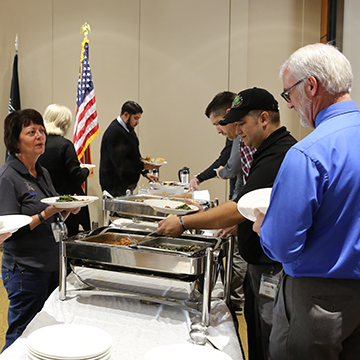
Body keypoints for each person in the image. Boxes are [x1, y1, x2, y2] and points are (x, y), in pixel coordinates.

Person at [157, 87, 297, 360]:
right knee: (257, 335)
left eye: (242, 123)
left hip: (271, 267)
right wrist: (240, 224)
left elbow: (237, 207)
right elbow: (257, 206)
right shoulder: (266, 149)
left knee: (269, 340)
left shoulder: (278, 153)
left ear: (264, 119)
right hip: (259, 261)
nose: (237, 131)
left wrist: (183, 222)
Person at [253, 43, 360, 360]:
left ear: (311, 86)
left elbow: (284, 245)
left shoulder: (308, 153)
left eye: (289, 94)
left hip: (317, 301)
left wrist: (264, 227)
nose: (289, 105)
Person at [0, 109, 80, 351]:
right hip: (26, 270)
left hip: (51, 265)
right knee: (21, 334)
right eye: (31, 132)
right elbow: (11, 231)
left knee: (44, 330)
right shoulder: (8, 177)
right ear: (15, 142)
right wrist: (46, 213)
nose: (40, 136)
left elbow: (51, 215)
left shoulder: (42, 171)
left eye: (41, 131)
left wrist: (68, 210)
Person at [39, 104, 92, 236]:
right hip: (67, 203)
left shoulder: (39, 144)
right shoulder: (65, 145)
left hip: (46, 201)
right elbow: (76, 176)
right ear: (64, 124)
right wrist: (87, 171)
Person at [99, 100, 159, 197]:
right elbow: (120, 163)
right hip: (114, 186)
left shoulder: (129, 129)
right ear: (126, 115)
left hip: (125, 186)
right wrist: (143, 166)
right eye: (135, 118)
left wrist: (145, 173)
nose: (137, 122)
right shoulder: (115, 133)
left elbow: (135, 155)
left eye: (139, 118)